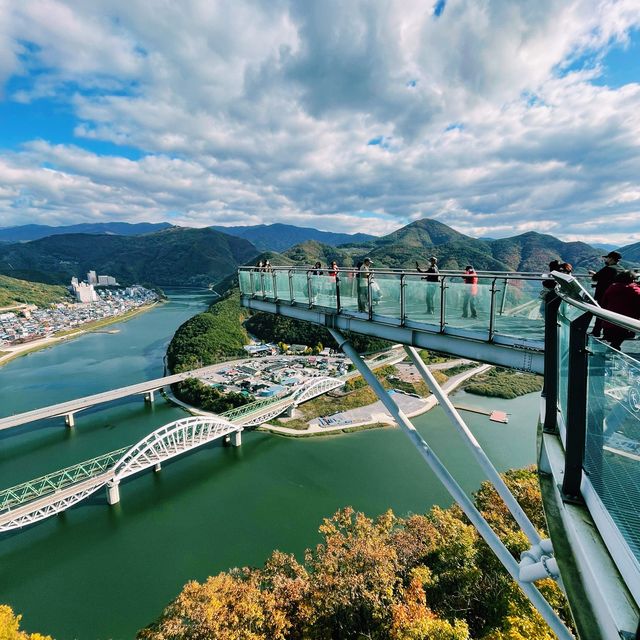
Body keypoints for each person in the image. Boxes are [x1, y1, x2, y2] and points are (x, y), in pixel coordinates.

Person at [601, 270, 640, 350]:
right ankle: (613, 349)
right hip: (626, 327)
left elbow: (603, 304)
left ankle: (612, 349)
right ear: (632, 280)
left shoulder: (611, 288)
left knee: (614, 343)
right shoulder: (634, 290)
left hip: (608, 326)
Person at [590, 251, 623, 337]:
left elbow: (595, 278)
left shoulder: (608, 269)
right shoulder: (621, 269)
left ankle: (596, 332)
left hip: (604, 295)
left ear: (611, 259)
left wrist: (594, 274)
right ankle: (608, 334)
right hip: (617, 296)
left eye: (607, 258)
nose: (606, 259)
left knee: (600, 314)